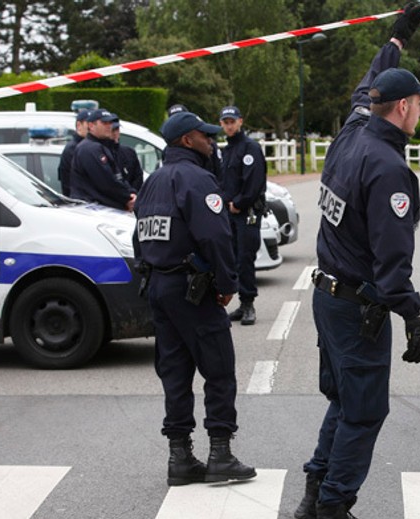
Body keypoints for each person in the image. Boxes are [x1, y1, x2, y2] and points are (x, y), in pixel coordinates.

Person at [295, 3, 420, 519]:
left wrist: (397, 39)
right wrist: (413, 315)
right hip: (358, 310)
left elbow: (367, 83)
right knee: (366, 412)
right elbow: (393, 260)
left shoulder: (352, 132)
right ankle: (333, 506)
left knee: (344, 402)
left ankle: (314, 495)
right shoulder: (389, 170)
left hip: (328, 300)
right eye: (419, 104)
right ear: (400, 109)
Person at [133, 110, 256, 486]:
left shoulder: (153, 181)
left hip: (160, 288)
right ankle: (220, 454)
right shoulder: (198, 179)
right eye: (205, 136)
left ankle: (181, 458)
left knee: (175, 372)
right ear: (187, 140)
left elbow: (139, 236)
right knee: (218, 370)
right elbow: (216, 237)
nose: (212, 140)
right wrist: (226, 283)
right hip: (193, 290)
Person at [218, 105, 267, 326]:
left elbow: (254, 183)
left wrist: (239, 203)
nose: (228, 126)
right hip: (229, 214)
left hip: (245, 213)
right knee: (233, 259)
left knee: (245, 259)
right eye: (225, 122)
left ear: (240, 121)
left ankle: (248, 303)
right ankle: (241, 301)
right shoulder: (226, 151)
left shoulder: (250, 148)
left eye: (232, 121)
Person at [70, 108, 137, 211]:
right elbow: (106, 182)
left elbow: (118, 176)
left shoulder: (103, 147)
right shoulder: (89, 148)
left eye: (110, 122)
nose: (109, 126)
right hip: (93, 211)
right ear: (91, 126)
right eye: (104, 123)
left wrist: (130, 193)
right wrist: (127, 197)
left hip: (102, 209)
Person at [167, 103, 222, 180]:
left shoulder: (208, 145)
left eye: (183, 117)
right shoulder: (167, 151)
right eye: (174, 118)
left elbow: (219, 171)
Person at [57, 108, 90, 196]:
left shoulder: (85, 146)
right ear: (79, 125)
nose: (92, 127)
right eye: (89, 124)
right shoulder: (74, 149)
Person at [111, 119, 144, 191]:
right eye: (112, 130)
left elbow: (138, 178)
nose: (115, 133)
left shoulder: (129, 152)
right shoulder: (100, 152)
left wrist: (133, 195)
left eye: (117, 129)